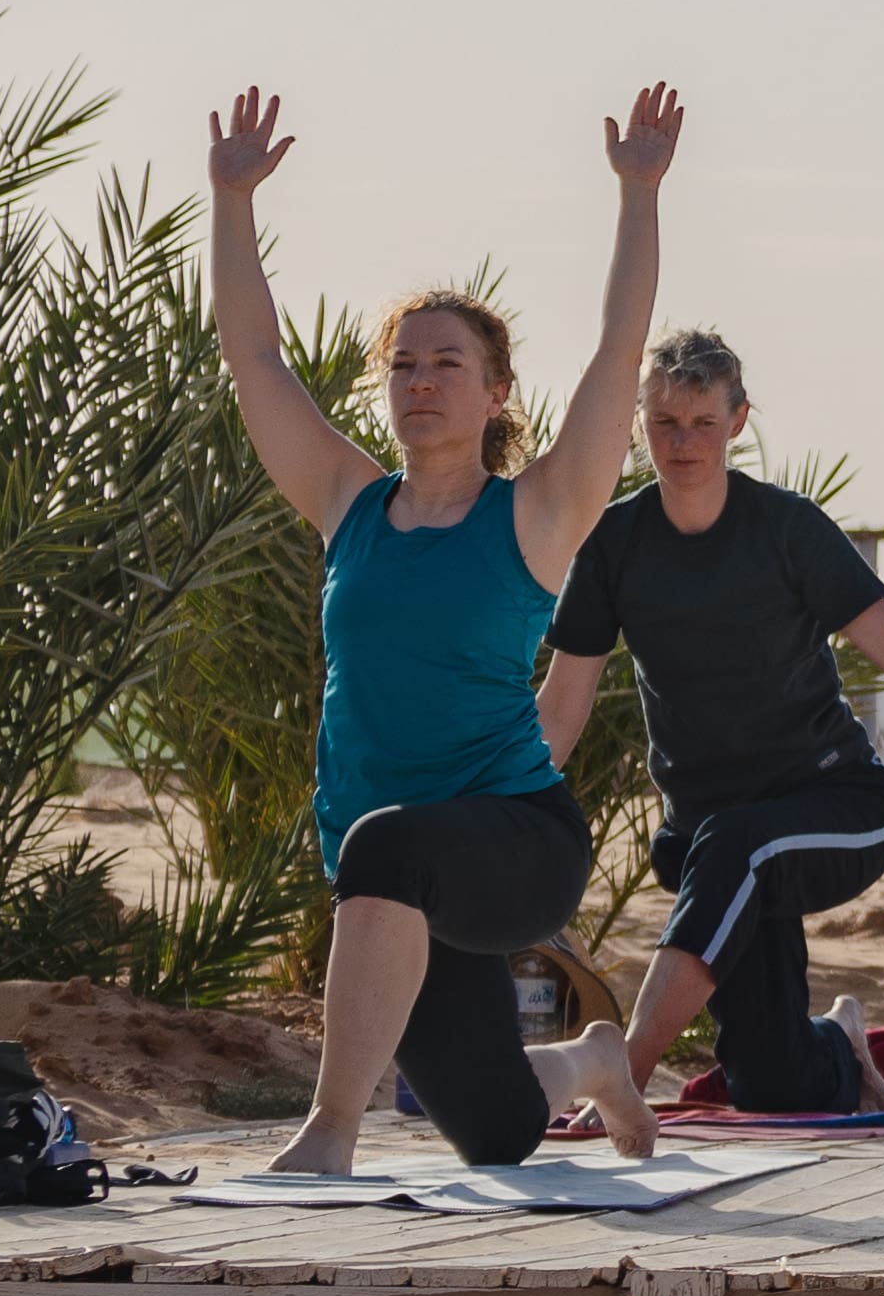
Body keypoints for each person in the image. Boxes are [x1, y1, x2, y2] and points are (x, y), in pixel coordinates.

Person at [195, 79, 685, 1176]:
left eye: (447, 363)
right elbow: (257, 361)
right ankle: (592, 1061)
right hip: (390, 873)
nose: (420, 380)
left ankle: (328, 1135)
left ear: (498, 392)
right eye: (404, 364)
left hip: (513, 839)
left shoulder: (538, 513)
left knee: (390, 843)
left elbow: (619, 351)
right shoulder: (348, 503)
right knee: (496, 1129)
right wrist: (231, 202)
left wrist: (639, 193)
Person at [531, 328, 884, 1116]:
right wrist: (506, 803)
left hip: (837, 809)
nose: (683, 442)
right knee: (772, 1083)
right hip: (714, 842)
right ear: (638, 423)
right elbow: (564, 701)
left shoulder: (786, 530)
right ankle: (841, 1048)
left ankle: (626, 1070)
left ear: (739, 420)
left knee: (740, 845)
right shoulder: (614, 543)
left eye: (703, 423)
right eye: (664, 423)